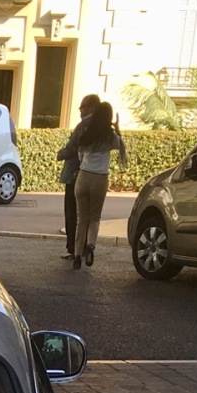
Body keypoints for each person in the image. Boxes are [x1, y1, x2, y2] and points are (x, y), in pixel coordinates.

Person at [72, 101, 126, 269]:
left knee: (82, 219)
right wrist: (117, 129)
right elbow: (120, 146)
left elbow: (80, 155)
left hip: (83, 177)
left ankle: (77, 255)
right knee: (95, 217)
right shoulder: (110, 136)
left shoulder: (87, 133)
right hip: (100, 178)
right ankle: (90, 246)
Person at [57, 93, 100, 261]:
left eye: (83, 107)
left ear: (91, 108)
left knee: (72, 213)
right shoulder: (100, 127)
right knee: (87, 215)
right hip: (93, 175)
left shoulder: (83, 126)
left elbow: (73, 147)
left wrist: (60, 154)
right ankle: (83, 247)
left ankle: (73, 248)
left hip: (75, 174)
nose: (80, 110)